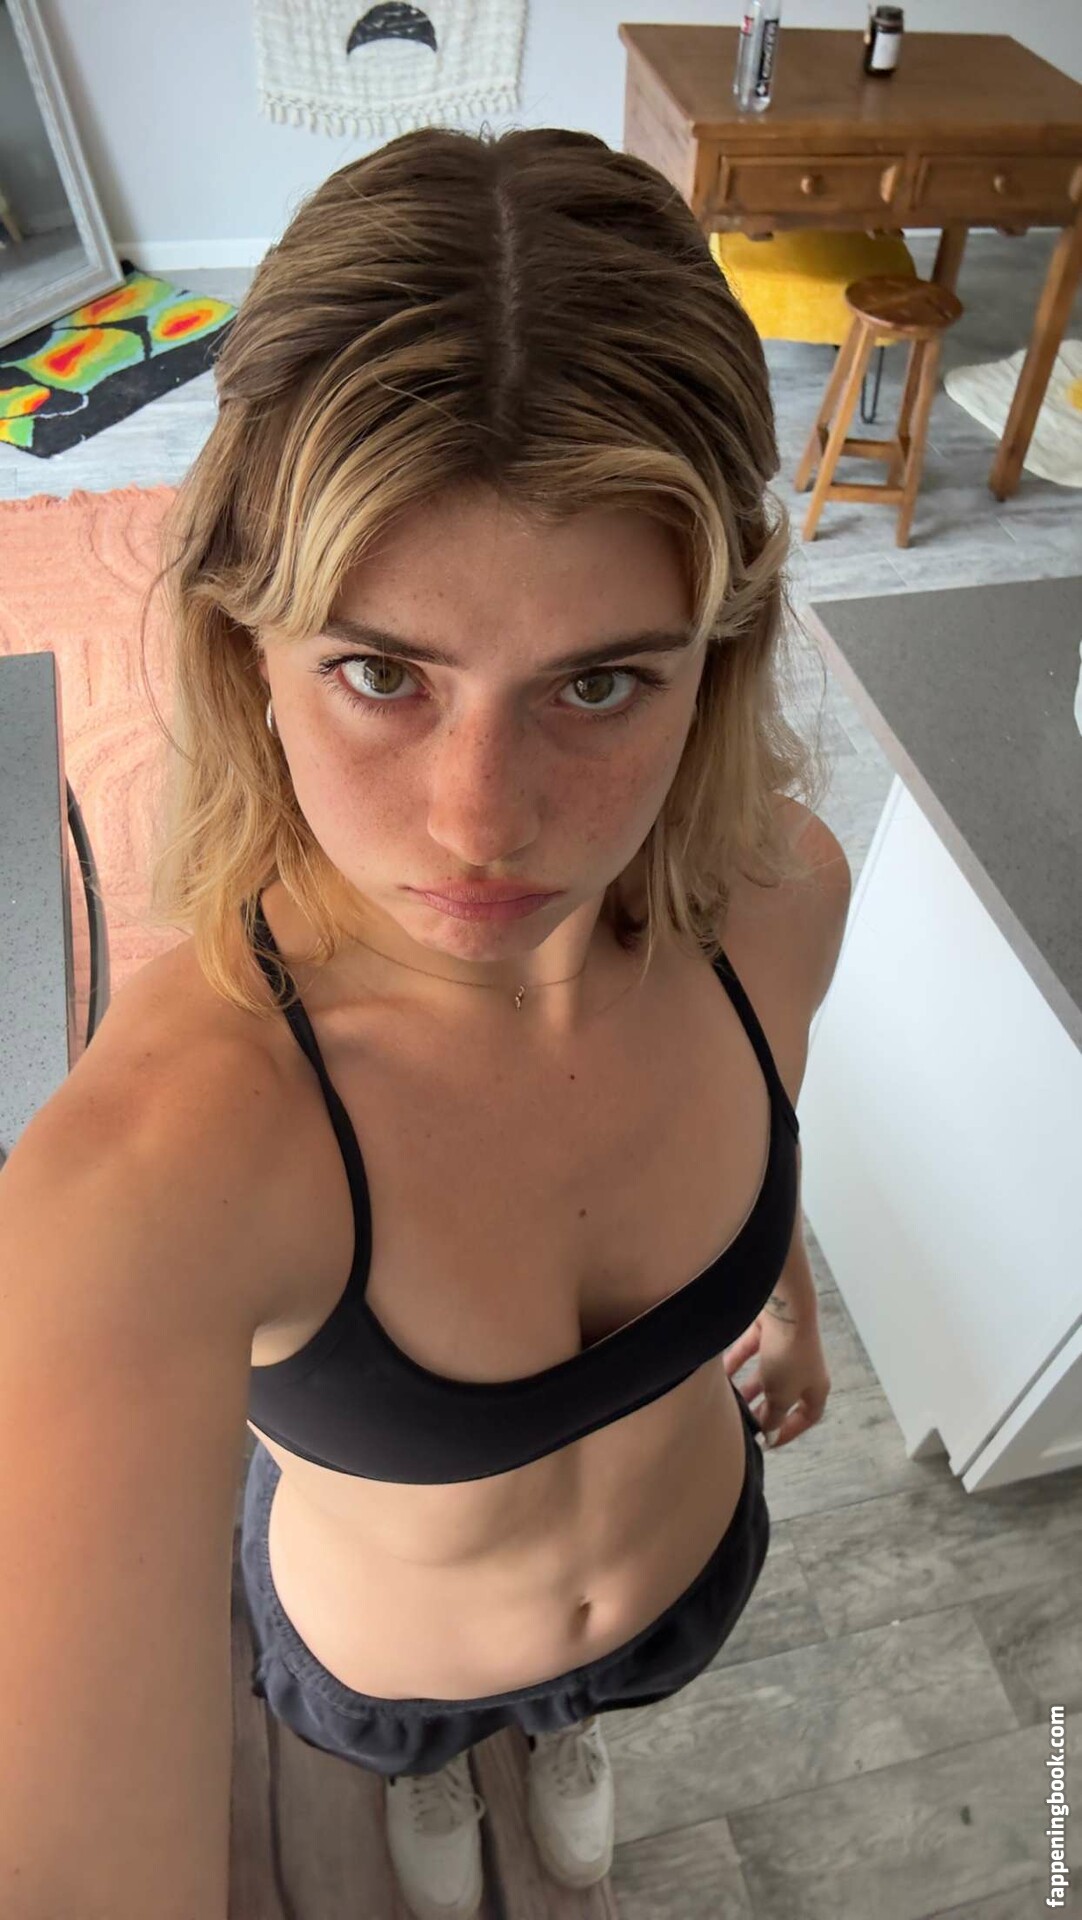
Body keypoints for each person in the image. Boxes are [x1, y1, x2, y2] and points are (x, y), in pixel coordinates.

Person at [0, 126, 850, 1920]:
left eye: (599, 682)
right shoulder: (154, 1172)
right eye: (380, 673)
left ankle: (566, 1735)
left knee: (584, 1711)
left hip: (683, 1570)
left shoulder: (781, 894)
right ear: (244, 648)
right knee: (421, 1755)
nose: (482, 825)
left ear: (718, 657)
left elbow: (774, 1101)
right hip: (389, 1661)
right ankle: (444, 1771)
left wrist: (776, 1288)